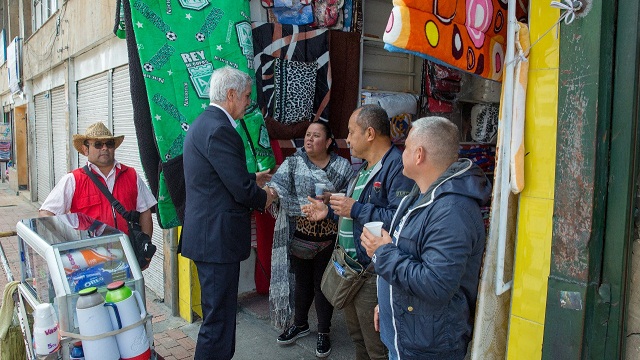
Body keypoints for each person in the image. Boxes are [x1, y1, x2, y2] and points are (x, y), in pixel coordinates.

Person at [361, 117, 492, 359]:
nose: (402, 153)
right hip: (409, 335)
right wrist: (388, 302)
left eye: (407, 147)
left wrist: (382, 252)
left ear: (419, 155)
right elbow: (410, 255)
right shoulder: (419, 195)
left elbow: (436, 284)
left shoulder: (452, 211)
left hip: (429, 347)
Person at [303, 105, 415, 360]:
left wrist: (356, 208)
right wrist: (329, 211)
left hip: (371, 274)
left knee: (377, 347)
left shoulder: (396, 167)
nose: (348, 139)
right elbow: (354, 213)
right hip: (351, 270)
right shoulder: (365, 168)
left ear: (370, 133)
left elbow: (399, 220)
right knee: (359, 340)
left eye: (352, 132)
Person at [181, 66, 276, 360]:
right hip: (216, 241)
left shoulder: (205, 124)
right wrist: (266, 196)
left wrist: (252, 178)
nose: (248, 102)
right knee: (218, 321)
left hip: (210, 238)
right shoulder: (221, 129)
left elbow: (218, 177)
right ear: (231, 94)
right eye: (246, 96)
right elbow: (238, 189)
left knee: (218, 317)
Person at [267, 121, 353, 358]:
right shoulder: (293, 162)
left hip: (330, 237)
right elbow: (278, 185)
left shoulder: (343, 167)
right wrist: (268, 192)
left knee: (324, 286)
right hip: (300, 235)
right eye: (307, 135)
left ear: (327, 142)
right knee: (302, 284)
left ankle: (324, 332)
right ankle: (300, 324)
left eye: (316, 136)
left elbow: (352, 197)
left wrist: (331, 198)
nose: (309, 139)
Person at [39, 121, 157, 241]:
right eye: (98, 144)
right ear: (86, 149)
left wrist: (145, 250)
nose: (105, 148)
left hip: (129, 253)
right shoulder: (73, 179)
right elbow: (46, 214)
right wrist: (66, 247)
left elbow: (145, 213)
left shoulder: (131, 175)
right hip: (90, 255)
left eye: (109, 144)